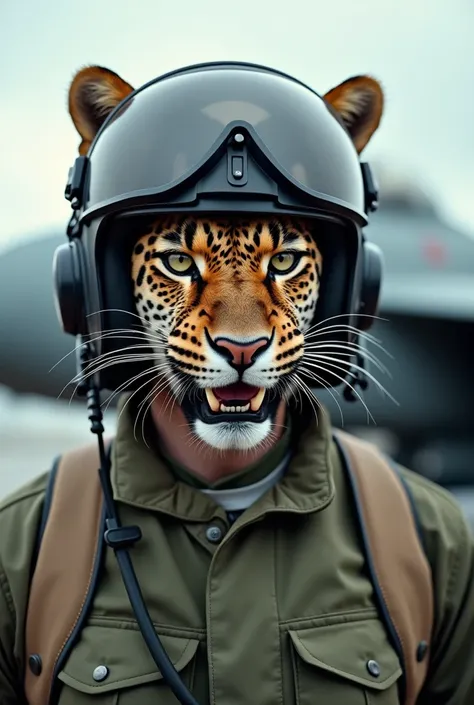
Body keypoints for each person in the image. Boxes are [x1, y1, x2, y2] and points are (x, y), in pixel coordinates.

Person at [0, 61, 473, 705]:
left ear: (348, 293)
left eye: (284, 264)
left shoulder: (427, 541)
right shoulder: (24, 547)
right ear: (96, 289)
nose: (241, 329)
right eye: (176, 263)